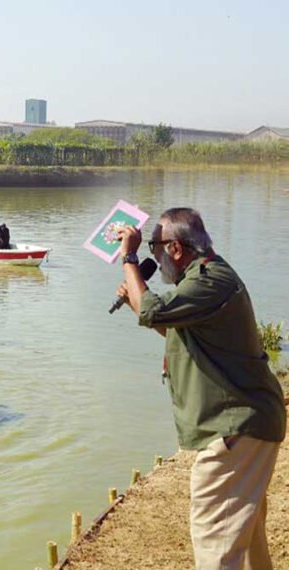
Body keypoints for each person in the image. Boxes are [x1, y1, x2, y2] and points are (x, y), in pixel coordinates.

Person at [115, 208, 285, 569]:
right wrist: (140, 304)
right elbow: (178, 332)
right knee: (247, 540)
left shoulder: (209, 280)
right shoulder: (205, 280)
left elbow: (152, 311)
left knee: (216, 545)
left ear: (175, 248)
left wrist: (129, 258)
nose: (154, 258)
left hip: (237, 429)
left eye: (154, 247)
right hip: (248, 423)